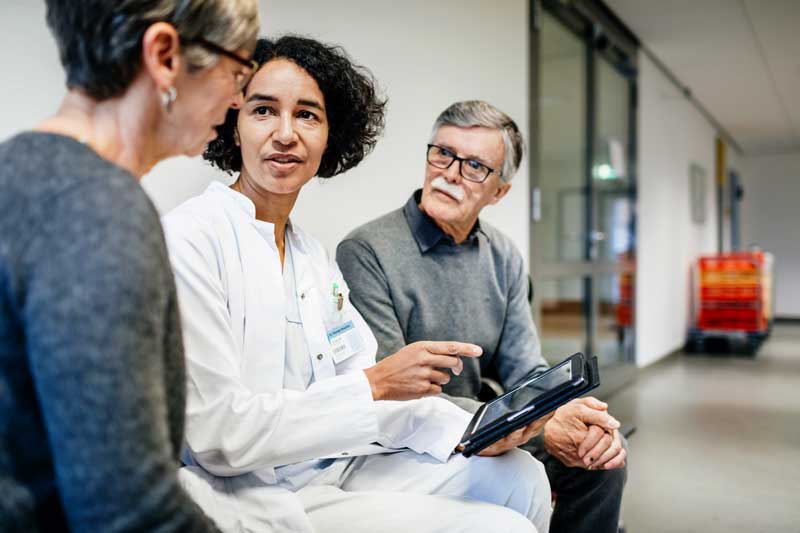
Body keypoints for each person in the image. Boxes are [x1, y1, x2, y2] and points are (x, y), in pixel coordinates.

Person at [163, 37, 551, 533]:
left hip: (333, 464)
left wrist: (473, 430)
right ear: (233, 126)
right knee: (504, 529)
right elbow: (220, 436)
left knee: (522, 477)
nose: (285, 134)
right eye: (263, 111)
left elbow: (374, 397)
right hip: (248, 491)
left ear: (330, 137)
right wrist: (374, 384)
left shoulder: (310, 257)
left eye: (307, 115)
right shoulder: (193, 239)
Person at [0, 1, 258, 531]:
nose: (236, 99)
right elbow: (128, 510)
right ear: (164, 54)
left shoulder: (16, 172)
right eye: (237, 72)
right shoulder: (98, 210)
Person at [337, 100, 628, 533]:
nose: (450, 173)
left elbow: (524, 368)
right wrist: (535, 424)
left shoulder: (504, 256)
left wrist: (565, 413)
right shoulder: (367, 251)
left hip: (492, 421)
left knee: (600, 457)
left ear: (500, 191)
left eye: (474, 165)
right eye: (443, 153)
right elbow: (392, 391)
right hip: (410, 433)